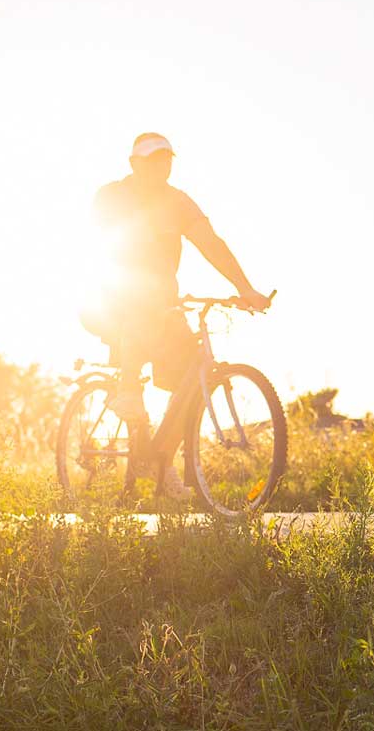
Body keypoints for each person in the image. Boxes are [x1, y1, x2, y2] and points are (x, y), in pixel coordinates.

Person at [88, 131, 271, 497]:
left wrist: (245, 288)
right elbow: (105, 241)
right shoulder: (114, 196)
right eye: (153, 160)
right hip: (107, 301)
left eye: (167, 159)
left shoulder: (179, 203)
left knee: (192, 378)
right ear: (134, 164)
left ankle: (160, 460)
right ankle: (127, 389)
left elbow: (211, 244)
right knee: (141, 302)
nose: (162, 166)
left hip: (160, 306)